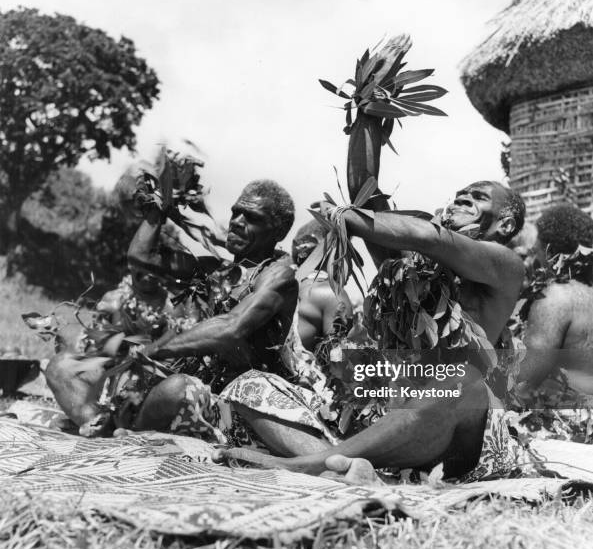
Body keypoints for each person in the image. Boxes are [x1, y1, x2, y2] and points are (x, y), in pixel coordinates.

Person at [214, 180, 527, 483]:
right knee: (249, 385)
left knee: (462, 379)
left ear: (506, 224)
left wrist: (346, 218)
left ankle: (308, 464)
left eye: (478, 196)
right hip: (397, 428)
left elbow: (432, 238)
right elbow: (368, 192)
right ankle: (344, 468)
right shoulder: (414, 269)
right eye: (460, 193)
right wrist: (368, 124)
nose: (462, 197)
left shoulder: (505, 263)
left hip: (463, 439)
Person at [45, 179, 299, 438]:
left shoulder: (279, 275)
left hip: (228, 401)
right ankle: (102, 424)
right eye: (236, 212)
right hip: (170, 379)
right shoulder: (213, 269)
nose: (236, 221)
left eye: (251, 217)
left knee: (179, 389)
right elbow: (142, 258)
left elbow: (231, 327)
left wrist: (150, 350)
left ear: (277, 232)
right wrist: (159, 206)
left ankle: (123, 429)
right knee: (62, 367)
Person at [516, 203, 593, 397]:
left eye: (536, 251)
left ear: (548, 250)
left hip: (571, 419)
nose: (533, 260)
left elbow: (525, 380)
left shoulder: (556, 297)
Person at [291, 220, 353, 351]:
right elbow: (339, 363)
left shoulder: (272, 282)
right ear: (338, 253)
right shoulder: (331, 294)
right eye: (349, 255)